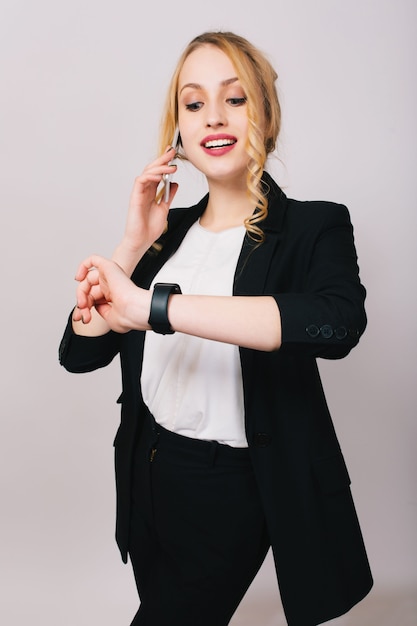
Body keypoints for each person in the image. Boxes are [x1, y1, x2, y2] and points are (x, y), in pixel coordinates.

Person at [59, 31, 373, 626]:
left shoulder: (315, 227)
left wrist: (158, 308)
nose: (214, 118)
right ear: (177, 127)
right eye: (194, 102)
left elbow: (337, 324)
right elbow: (77, 355)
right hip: (146, 465)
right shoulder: (165, 234)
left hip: (230, 484)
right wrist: (133, 242)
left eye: (235, 98)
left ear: (265, 112)